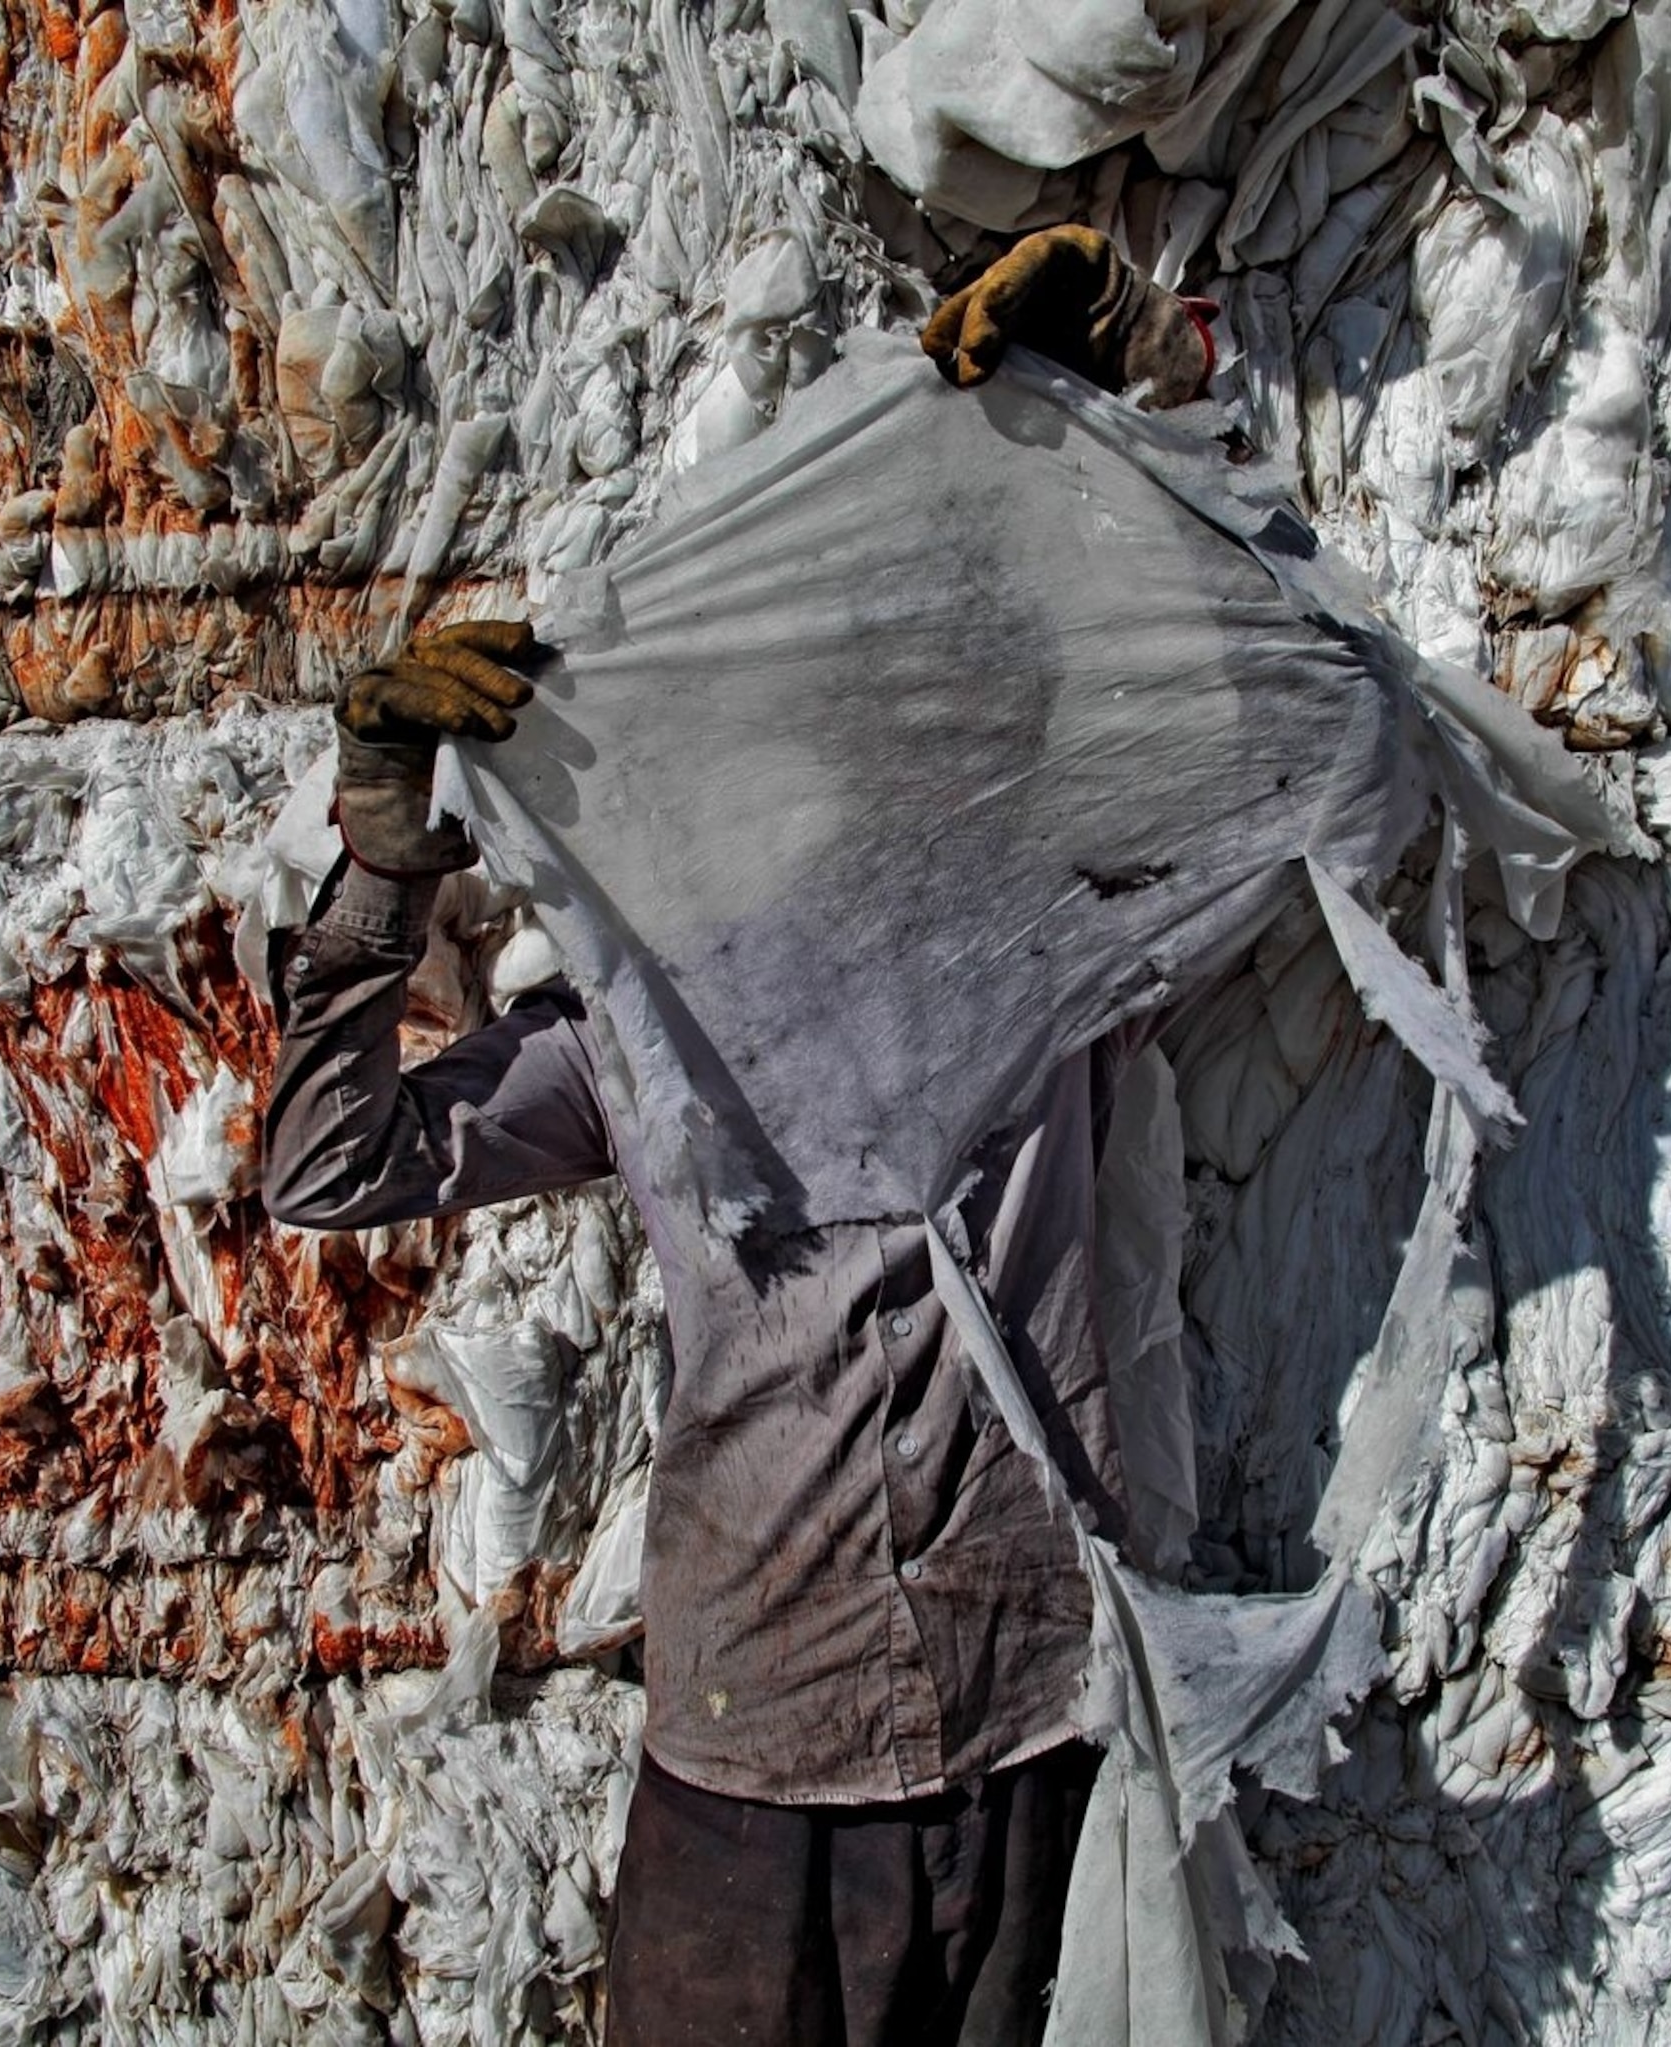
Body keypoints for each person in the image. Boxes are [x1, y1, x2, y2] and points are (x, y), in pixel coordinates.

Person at [260, 227, 1215, 2047]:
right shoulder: (661, 1020)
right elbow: (332, 1166)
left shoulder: (1057, 954)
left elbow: (1239, 715)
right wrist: (389, 854)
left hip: (1026, 1735)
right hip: (758, 1756)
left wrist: (1121, 388)